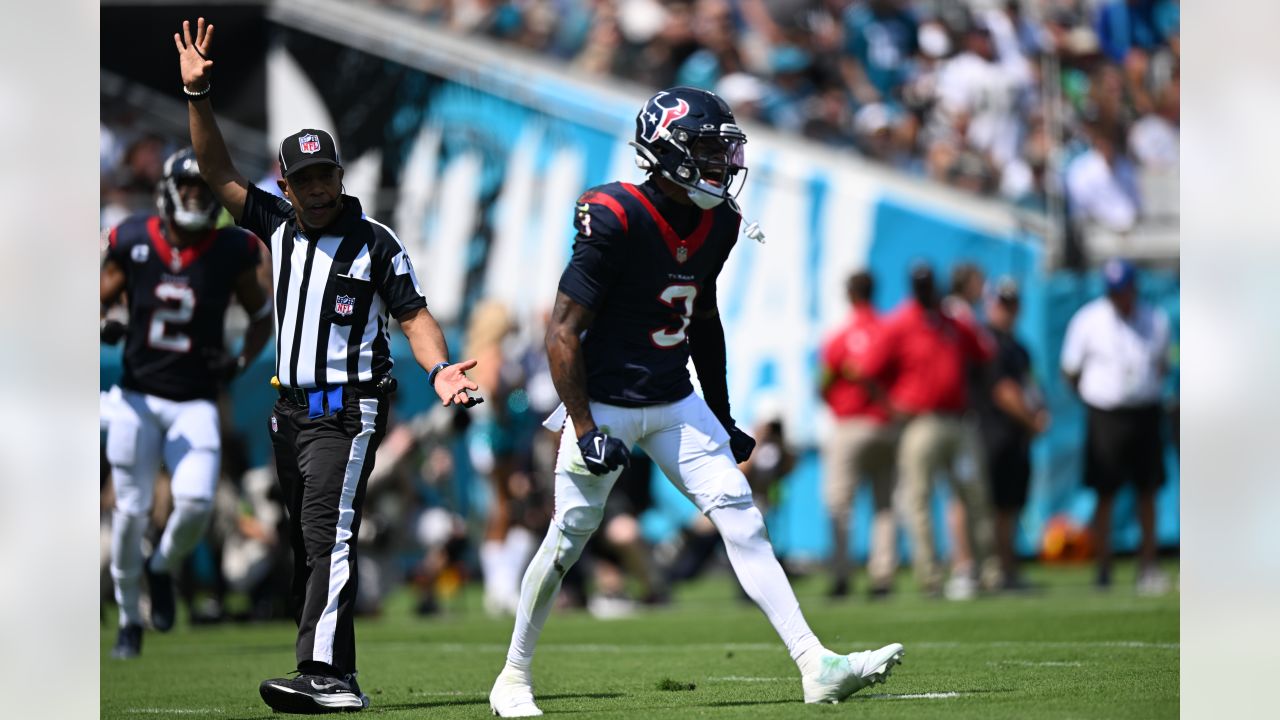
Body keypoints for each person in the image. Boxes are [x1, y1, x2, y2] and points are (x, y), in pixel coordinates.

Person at [488, 86, 903, 718]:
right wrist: (584, 424)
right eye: (708, 150)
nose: (723, 164)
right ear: (666, 151)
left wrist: (724, 413)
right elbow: (562, 330)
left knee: (742, 514)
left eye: (724, 150)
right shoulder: (614, 214)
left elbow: (703, 320)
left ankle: (815, 665)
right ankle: (512, 676)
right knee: (569, 537)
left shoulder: (720, 223)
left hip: (673, 397)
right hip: (604, 401)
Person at [175, 17, 482, 714]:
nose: (317, 188)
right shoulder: (277, 225)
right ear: (286, 185)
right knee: (308, 547)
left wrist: (439, 372)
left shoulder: (374, 242)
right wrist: (199, 98)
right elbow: (217, 171)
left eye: (326, 175)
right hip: (292, 414)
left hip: (349, 409)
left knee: (329, 534)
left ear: (341, 176)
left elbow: (414, 314)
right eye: (305, 178)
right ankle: (328, 668)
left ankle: (327, 676)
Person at [101, 146, 274, 659]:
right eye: (189, 188)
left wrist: (240, 363)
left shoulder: (231, 250)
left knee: (196, 503)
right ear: (169, 193)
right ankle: (130, 619)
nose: (197, 196)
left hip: (196, 397)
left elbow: (262, 315)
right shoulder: (134, 239)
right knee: (131, 513)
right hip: (137, 395)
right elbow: (99, 294)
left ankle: (160, 567)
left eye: (204, 188)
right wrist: (104, 322)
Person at [860, 263, 997, 598]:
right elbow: (867, 370)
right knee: (918, 499)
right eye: (920, 286)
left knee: (975, 496)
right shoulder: (900, 322)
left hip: (958, 421)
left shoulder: (952, 321)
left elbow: (983, 355)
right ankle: (930, 577)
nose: (926, 291)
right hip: (920, 422)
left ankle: (988, 572)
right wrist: (891, 406)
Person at [1060, 258, 1170, 595]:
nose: (1119, 297)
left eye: (1123, 290)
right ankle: (1103, 567)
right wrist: (1091, 398)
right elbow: (1070, 369)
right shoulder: (1088, 320)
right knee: (1104, 492)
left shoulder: (1156, 319)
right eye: (1113, 291)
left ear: (1134, 288)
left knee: (1147, 491)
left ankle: (1148, 567)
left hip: (1144, 410)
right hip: (1105, 413)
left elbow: (1163, 364)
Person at [818, 270, 898, 599]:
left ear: (850, 295)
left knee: (839, 504)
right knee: (885, 506)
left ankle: (841, 575)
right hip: (886, 425)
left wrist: (836, 399)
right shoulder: (889, 332)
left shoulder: (840, 336)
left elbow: (822, 381)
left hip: (850, 425)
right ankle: (883, 575)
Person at [975, 279, 1049, 590]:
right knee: (993, 506)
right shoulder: (987, 344)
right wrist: (1032, 421)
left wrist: (1040, 413)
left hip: (1017, 437)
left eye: (1012, 304)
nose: (1007, 311)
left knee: (1012, 506)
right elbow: (1004, 392)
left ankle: (1007, 568)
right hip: (993, 433)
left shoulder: (1019, 347)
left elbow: (1032, 387)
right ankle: (993, 570)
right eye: (1002, 304)